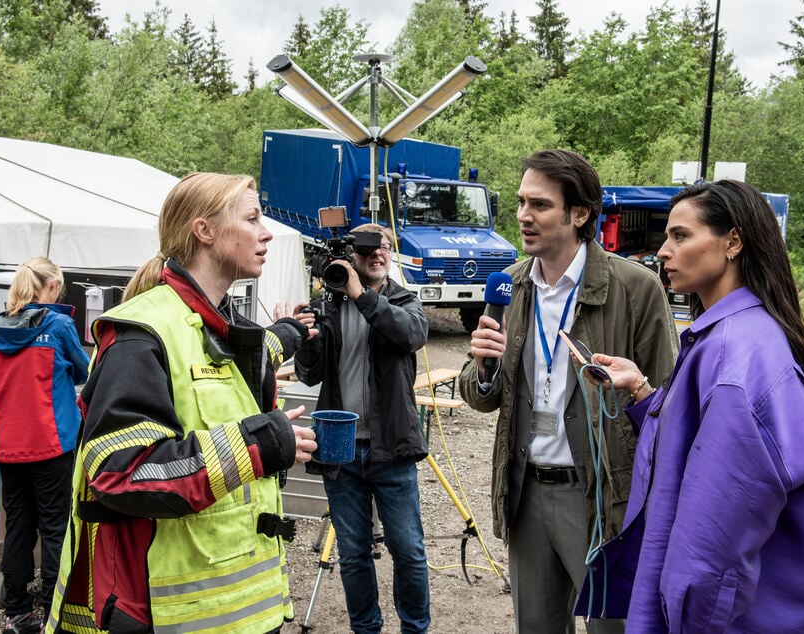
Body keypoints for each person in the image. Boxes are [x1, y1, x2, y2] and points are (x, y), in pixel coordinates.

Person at [45, 173, 317, 634]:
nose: (266, 232)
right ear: (204, 231)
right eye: (251, 218)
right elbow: (121, 471)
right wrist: (262, 444)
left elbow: (231, 375)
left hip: (243, 612)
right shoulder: (140, 336)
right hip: (166, 617)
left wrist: (289, 334)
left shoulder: (220, 325)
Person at [576, 180, 804, 631]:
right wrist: (642, 391)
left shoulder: (735, 355)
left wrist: (684, 618)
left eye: (680, 235)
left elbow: (712, 546)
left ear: (733, 241)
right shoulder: (735, 335)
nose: (663, 250)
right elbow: (699, 443)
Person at [458, 150, 678, 633]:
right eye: (519, 202)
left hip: (602, 497)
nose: (523, 216)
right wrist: (485, 369)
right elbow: (479, 394)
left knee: (613, 628)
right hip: (527, 494)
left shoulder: (636, 289)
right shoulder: (511, 286)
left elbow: (668, 404)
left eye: (539, 205)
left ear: (579, 214)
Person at [293, 223, 431, 634]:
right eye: (367, 249)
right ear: (351, 256)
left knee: (408, 550)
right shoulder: (328, 306)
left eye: (384, 248)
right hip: (341, 448)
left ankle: (415, 629)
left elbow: (411, 335)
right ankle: (365, 629)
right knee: (353, 553)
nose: (377, 255)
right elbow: (309, 374)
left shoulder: (405, 300)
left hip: (392, 447)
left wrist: (360, 294)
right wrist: (308, 339)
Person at [0, 256, 91, 634]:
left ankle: (18, 614)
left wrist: (11, 402)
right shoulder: (59, 325)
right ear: (52, 286)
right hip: (52, 446)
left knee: (19, 526)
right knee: (56, 526)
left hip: (9, 447)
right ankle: (55, 612)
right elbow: (86, 370)